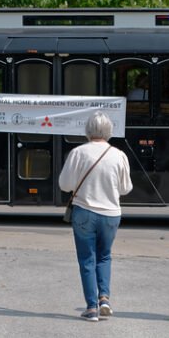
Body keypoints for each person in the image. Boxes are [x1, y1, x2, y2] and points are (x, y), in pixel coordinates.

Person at [59, 111, 133, 321]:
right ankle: (105, 298)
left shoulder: (78, 153)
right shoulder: (119, 155)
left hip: (84, 212)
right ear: (109, 131)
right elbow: (126, 188)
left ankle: (92, 307)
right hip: (111, 214)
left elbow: (64, 184)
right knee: (105, 256)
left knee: (87, 259)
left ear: (88, 130)